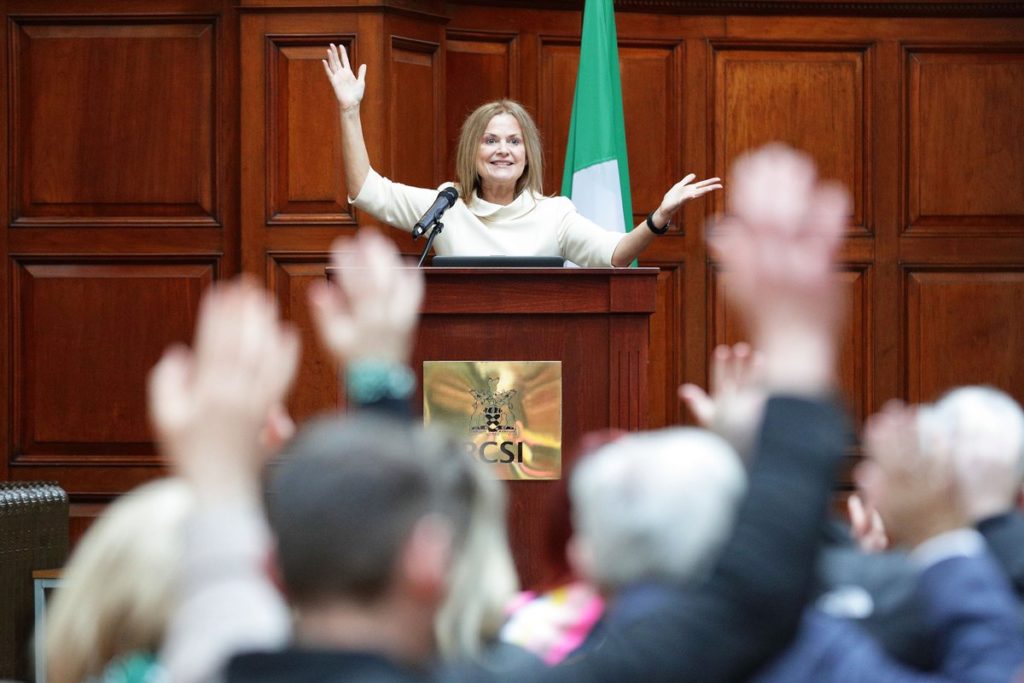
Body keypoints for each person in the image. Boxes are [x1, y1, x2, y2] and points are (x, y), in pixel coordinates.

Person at [322, 43, 721, 267]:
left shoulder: (554, 214)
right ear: (472, 152)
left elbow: (614, 255)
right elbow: (367, 189)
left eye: (513, 142)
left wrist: (658, 218)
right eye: (490, 140)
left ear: (528, 155)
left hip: (537, 374)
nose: (502, 151)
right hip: (456, 371)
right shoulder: (445, 206)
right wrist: (348, 110)